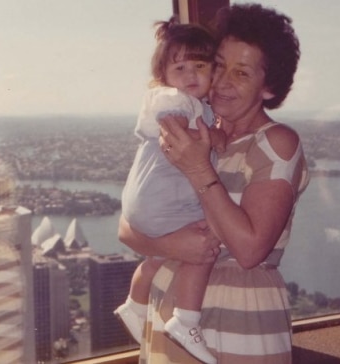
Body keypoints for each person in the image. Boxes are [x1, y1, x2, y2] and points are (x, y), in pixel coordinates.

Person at [118, 3, 309, 363]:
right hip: (169, 314)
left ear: (268, 87)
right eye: (219, 65)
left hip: (238, 318)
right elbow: (126, 228)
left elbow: (251, 250)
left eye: (241, 73)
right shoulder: (192, 128)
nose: (221, 81)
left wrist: (198, 169)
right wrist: (177, 246)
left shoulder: (276, 143)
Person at [114, 17, 225, 364]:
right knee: (207, 239)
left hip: (142, 200)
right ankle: (186, 320)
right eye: (180, 67)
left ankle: (135, 304)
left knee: (161, 254)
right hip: (160, 199)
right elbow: (182, 135)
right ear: (163, 75)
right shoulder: (176, 101)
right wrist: (220, 137)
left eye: (200, 66)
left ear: (212, 72)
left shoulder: (188, 102)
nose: (190, 74)